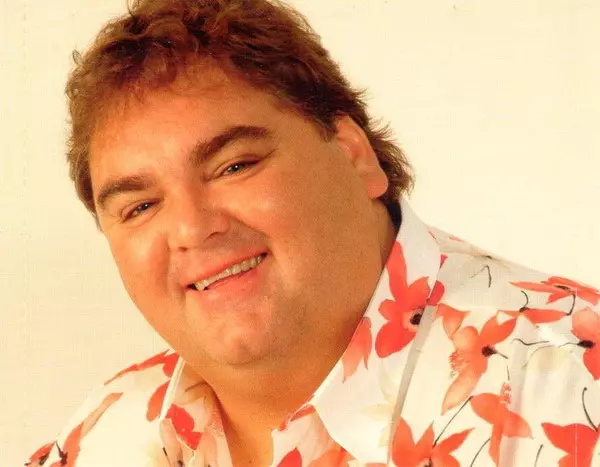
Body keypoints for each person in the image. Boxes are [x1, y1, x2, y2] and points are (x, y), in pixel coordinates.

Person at [25, 0, 600, 466]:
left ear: (354, 153)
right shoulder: (103, 434)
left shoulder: (574, 388)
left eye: (234, 166)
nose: (191, 229)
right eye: (141, 206)